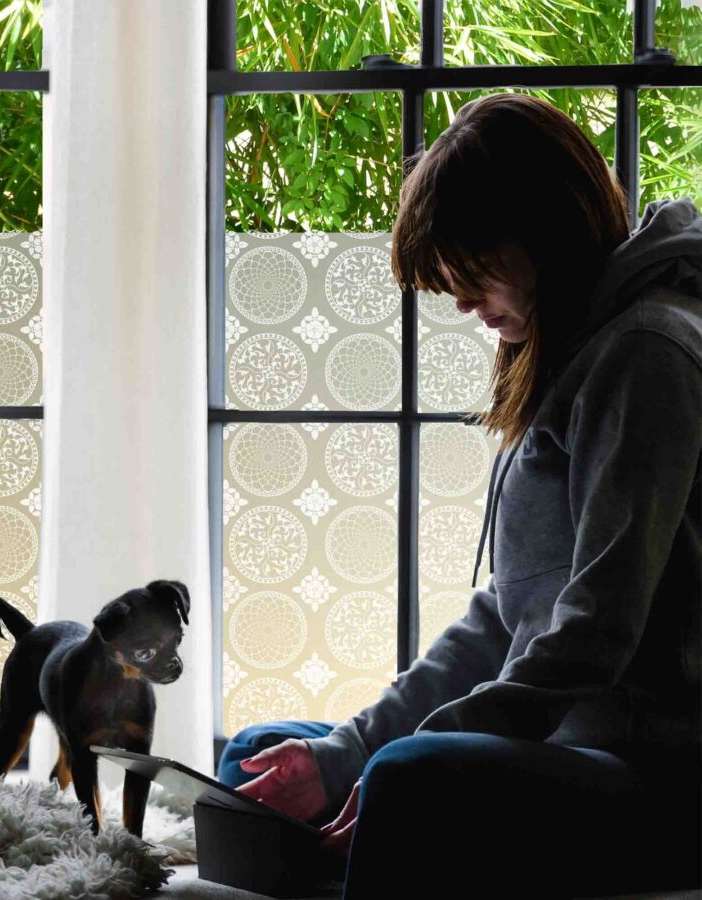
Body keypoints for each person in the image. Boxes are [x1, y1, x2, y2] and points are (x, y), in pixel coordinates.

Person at [216, 93, 702, 899]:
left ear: (540, 228)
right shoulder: (578, 352)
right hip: (568, 747)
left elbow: (598, 628)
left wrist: (405, 754)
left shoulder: (646, 354)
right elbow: (502, 620)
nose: (459, 298)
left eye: (472, 264)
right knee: (263, 757)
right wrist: (344, 753)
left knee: (413, 774)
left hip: (660, 776)